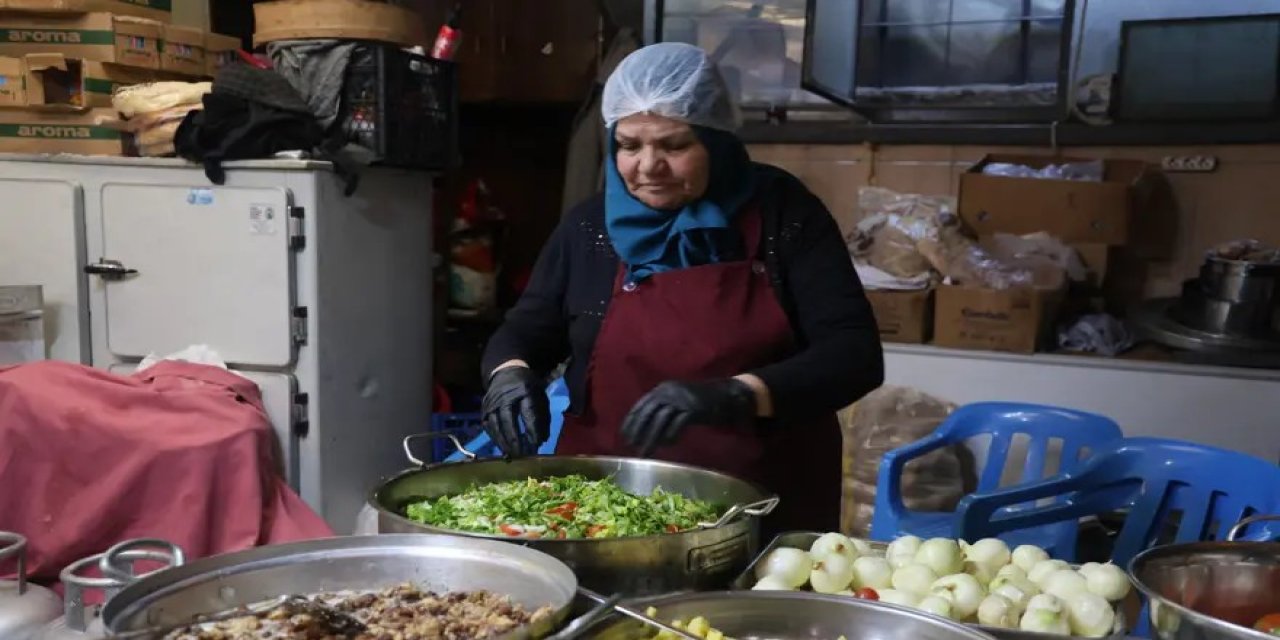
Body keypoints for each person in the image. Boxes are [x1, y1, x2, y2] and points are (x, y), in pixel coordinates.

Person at [479, 42, 883, 532]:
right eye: (629, 145)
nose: (648, 166)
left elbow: (854, 354)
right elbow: (528, 329)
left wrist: (737, 395)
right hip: (604, 503)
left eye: (673, 146)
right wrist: (509, 374)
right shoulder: (590, 227)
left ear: (716, 140)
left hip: (757, 501)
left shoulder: (783, 213)